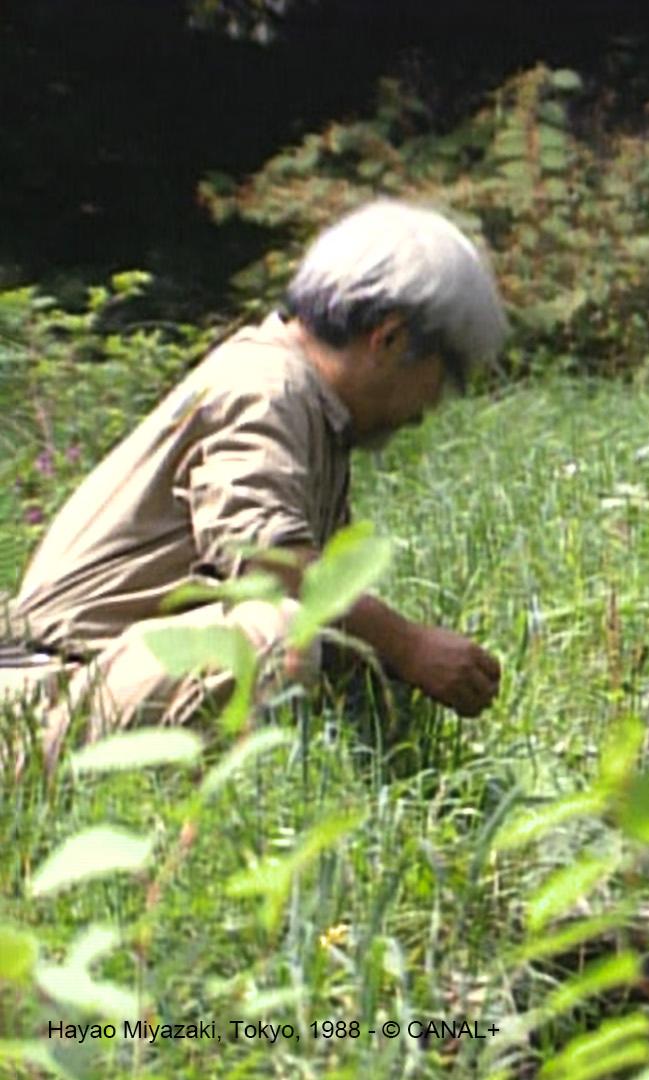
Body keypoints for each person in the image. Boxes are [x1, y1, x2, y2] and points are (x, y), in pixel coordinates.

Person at [0, 199, 507, 771]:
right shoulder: (265, 389)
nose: (432, 406)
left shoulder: (310, 407)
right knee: (273, 635)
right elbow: (267, 564)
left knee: (359, 660)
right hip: (43, 696)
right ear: (388, 340)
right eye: (444, 378)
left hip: (90, 678)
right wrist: (410, 644)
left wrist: (394, 659)